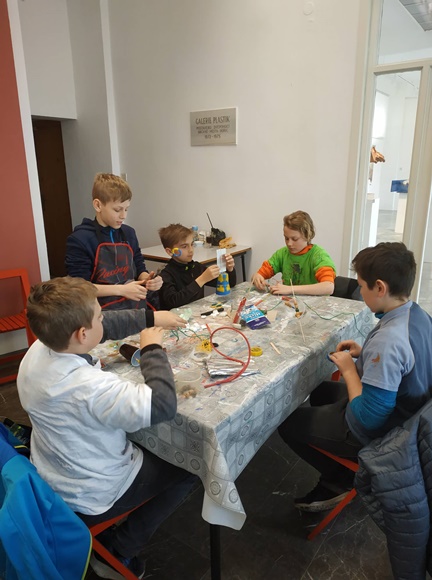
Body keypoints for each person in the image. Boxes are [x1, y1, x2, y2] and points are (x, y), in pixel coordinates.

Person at [17, 277, 196, 579]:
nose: (105, 319)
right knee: (190, 465)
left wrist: (150, 318)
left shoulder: (38, 349)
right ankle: (121, 549)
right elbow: (162, 405)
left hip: (51, 472)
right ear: (82, 333)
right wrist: (152, 349)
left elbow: (101, 327)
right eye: (99, 316)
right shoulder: (89, 386)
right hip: (94, 490)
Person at [278, 242, 432, 512]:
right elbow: (403, 364)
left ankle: (339, 478)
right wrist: (365, 354)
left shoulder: (389, 341)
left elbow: (367, 419)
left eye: (362, 286)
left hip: (383, 431)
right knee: (320, 391)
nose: (359, 292)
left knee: (286, 423)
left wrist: (349, 370)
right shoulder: (417, 314)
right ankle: (335, 455)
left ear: (380, 288)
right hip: (404, 409)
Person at [65, 173, 162, 310]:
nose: (123, 215)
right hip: (100, 312)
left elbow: (139, 267)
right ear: (98, 205)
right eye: (117, 210)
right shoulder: (80, 239)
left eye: (126, 209)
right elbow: (80, 288)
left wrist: (148, 280)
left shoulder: (129, 233)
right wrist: (121, 290)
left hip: (134, 306)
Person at [251, 210, 336, 296]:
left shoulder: (318, 256)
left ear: (307, 236)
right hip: (289, 302)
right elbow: (263, 272)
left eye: (295, 239)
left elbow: (328, 287)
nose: (289, 243)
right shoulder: (282, 254)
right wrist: (257, 276)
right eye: (286, 238)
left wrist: (290, 289)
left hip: (314, 303)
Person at [158, 223, 237, 310]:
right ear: (170, 252)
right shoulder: (165, 275)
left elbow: (230, 284)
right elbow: (174, 302)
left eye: (192, 244)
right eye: (184, 246)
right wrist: (201, 280)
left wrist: (230, 269)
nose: (191, 250)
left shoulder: (196, 267)